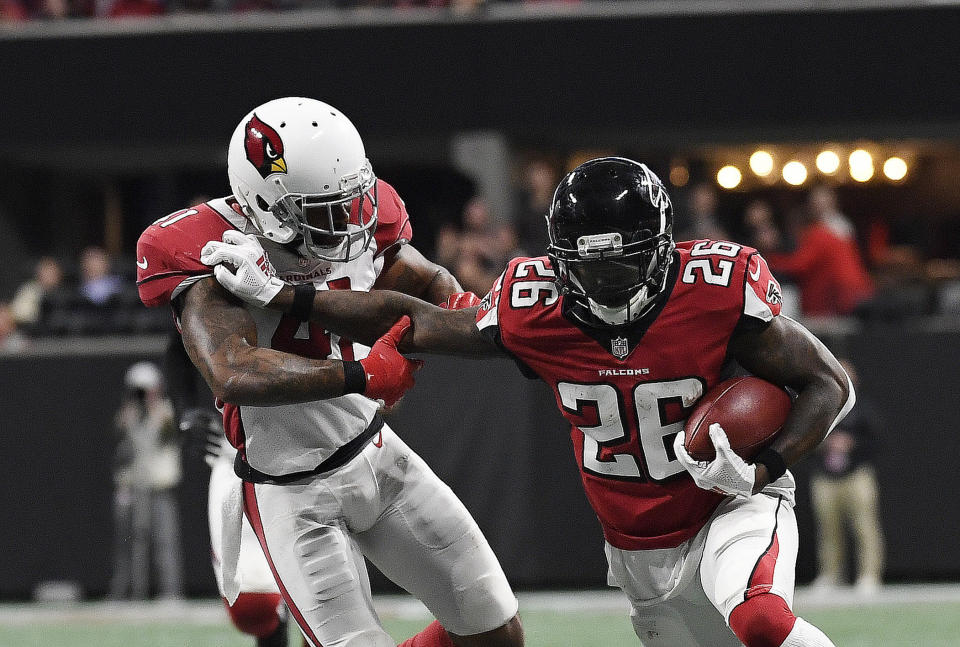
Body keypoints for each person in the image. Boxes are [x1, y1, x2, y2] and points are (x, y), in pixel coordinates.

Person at [206, 157, 855, 647]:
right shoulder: (536, 303)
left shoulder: (715, 287)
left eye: (620, 266)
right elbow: (415, 318)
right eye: (587, 267)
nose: (602, 286)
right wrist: (287, 296)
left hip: (728, 505)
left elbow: (830, 383)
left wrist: (760, 468)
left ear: (662, 250)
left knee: (762, 619)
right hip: (636, 543)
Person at [136, 97, 522, 647]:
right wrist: (362, 377)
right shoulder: (208, 248)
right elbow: (232, 370)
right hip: (292, 492)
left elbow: (421, 277)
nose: (348, 221)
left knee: (495, 633)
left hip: (378, 454)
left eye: (352, 201)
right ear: (266, 205)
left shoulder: (365, 214)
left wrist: (460, 303)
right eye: (323, 209)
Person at [164, 334, 297, 647]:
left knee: (328, 590)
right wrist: (183, 410)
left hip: (315, 442)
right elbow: (178, 343)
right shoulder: (218, 288)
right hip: (236, 450)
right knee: (253, 604)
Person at [108, 361, 184, 600]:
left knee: (165, 541)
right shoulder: (128, 414)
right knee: (129, 542)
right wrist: (131, 412)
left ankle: (170, 592)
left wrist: (153, 408)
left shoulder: (165, 411)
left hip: (160, 486)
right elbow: (121, 437)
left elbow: (167, 427)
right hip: (133, 485)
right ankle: (129, 591)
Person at [809, 359, 884, 595]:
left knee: (865, 527)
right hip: (826, 477)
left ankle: (869, 576)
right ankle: (831, 575)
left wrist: (852, 444)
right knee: (828, 529)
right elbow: (805, 439)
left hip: (857, 476)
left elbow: (877, 441)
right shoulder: (820, 407)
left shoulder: (864, 408)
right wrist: (826, 444)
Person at [764, 186, 874, 317]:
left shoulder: (822, 233)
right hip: (854, 291)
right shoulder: (836, 230)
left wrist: (766, 260)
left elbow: (799, 265)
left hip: (842, 296)